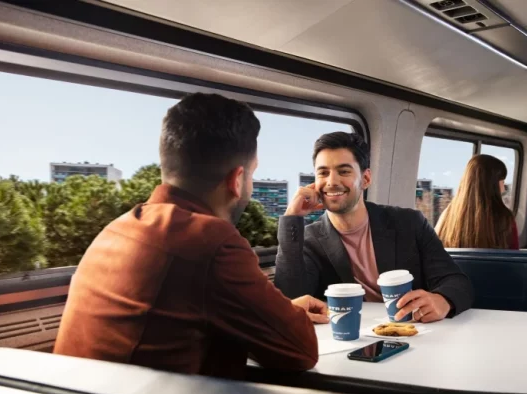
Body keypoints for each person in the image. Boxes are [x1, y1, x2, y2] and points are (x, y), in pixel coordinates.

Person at [54, 93, 328, 379]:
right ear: (237, 180)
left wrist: (283, 311)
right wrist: (288, 319)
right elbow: (301, 350)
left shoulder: (114, 230)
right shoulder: (211, 241)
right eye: (252, 174)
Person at [274, 132, 473, 323]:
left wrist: (442, 300)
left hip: (413, 329)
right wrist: (292, 218)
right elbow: (291, 302)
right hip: (348, 337)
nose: (332, 182)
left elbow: (457, 282)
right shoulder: (310, 240)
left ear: (366, 179)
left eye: (344, 171)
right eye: (323, 173)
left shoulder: (409, 223)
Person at [434, 154, 519, 250]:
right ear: (492, 184)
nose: (503, 189)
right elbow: (514, 256)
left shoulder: (446, 216)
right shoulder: (505, 219)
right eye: (502, 182)